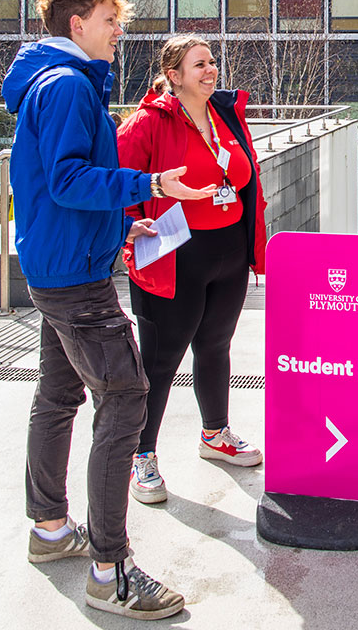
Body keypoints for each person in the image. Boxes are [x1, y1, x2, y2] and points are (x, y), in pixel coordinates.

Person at [3, 0, 216, 620]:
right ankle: (111, 570)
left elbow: (54, 185)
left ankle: (49, 530)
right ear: (77, 26)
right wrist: (148, 184)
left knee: (59, 395)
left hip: (56, 267)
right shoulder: (69, 86)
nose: (119, 31)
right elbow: (69, 180)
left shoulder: (49, 83)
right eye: (110, 21)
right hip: (77, 280)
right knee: (125, 397)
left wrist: (125, 220)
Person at [117, 35, 267, 504]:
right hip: (175, 252)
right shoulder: (148, 122)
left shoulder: (224, 114)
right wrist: (125, 228)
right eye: (199, 64)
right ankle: (140, 456)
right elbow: (114, 179)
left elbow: (243, 178)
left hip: (228, 251)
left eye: (213, 62)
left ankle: (214, 434)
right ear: (174, 75)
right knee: (161, 361)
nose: (211, 70)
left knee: (216, 346)